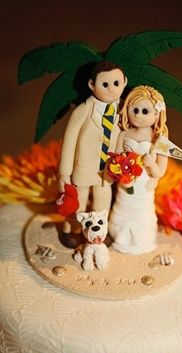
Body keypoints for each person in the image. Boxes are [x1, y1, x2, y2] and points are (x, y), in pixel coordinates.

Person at [58, 61, 128, 243]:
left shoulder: (123, 111)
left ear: (125, 82)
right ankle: (72, 230)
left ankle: (99, 232)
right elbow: (69, 140)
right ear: (92, 85)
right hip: (84, 167)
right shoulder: (83, 111)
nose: (111, 89)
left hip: (107, 169)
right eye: (105, 84)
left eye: (116, 83)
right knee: (79, 200)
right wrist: (65, 172)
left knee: (103, 200)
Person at [109, 85, 168, 254]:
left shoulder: (159, 140)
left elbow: (160, 171)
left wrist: (151, 165)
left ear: (157, 114)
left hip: (145, 184)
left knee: (141, 211)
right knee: (123, 207)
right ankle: (119, 235)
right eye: (134, 109)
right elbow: (116, 159)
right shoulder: (124, 135)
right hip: (126, 183)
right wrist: (121, 177)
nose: (138, 115)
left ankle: (141, 239)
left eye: (145, 111)